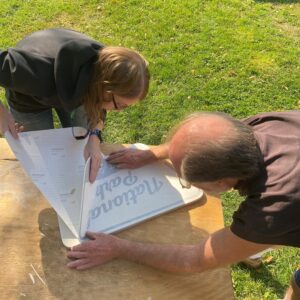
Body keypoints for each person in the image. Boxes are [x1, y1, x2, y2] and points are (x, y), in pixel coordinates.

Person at [67, 111, 300, 298]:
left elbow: (195, 259)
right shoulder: (263, 127)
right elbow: (203, 141)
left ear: (221, 182)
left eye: (184, 179)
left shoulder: (272, 209)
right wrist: (153, 154)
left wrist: (119, 248)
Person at [0, 28, 150, 182]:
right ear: (105, 86)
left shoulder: (106, 70)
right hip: (29, 97)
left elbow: (98, 111)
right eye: (119, 104)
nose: (118, 111)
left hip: (74, 86)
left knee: (82, 143)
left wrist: (94, 137)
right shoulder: (37, 71)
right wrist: (2, 114)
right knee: (41, 157)